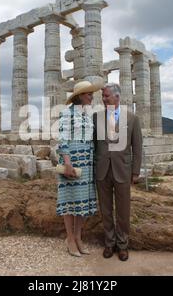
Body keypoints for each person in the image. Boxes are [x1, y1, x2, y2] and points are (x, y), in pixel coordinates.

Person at [93, 83, 142, 261]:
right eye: (103, 96)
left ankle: (122, 245)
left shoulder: (132, 119)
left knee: (123, 211)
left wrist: (135, 172)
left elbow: (137, 147)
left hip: (123, 170)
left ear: (117, 97)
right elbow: (94, 145)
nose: (104, 99)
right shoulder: (96, 118)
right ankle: (109, 243)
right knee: (105, 210)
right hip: (102, 171)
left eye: (106, 96)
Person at [56, 80, 102, 257]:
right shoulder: (66, 113)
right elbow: (63, 138)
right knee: (69, 200)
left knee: (84, 201)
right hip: (72, 158)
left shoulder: (88, 114)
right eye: (89, 94)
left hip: (87, 159)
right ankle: (69, 239)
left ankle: (78, 237)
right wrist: (67, 162)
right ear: (80, 96)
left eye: (92, 93)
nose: (92, 96)